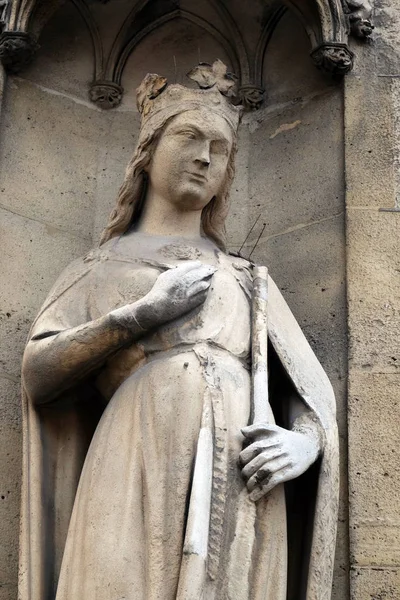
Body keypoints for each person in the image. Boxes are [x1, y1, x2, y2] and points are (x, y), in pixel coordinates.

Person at [19, 61, 339, 600]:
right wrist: (139, 316)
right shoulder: (99, 267)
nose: (204, 157)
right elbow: (40, 374)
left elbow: (308, 392)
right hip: (134, 456)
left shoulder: (249, 279)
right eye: (189, 137)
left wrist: (304, 443)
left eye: (220, 148)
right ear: (147, 153)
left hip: (242, 475)